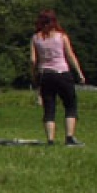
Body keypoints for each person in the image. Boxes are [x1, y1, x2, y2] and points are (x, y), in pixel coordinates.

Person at [30, 8, 86, 146]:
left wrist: (34, 75)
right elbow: (70, 55)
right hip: (62, 73)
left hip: (45, 75)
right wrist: (79, 73)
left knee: (49, 107)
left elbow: (32, 60)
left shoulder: (35, 38)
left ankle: (50, 140)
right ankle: (69, 138)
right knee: (70, 105)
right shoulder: (61, 37)